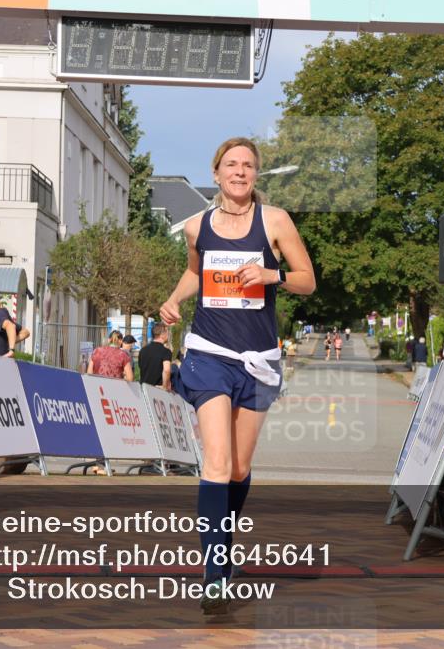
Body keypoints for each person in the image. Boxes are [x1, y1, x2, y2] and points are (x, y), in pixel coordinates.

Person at [159, 137, 315, 615]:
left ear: (255, 175)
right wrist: (174, 299)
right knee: (218, 463)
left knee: (241, 470)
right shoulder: (194, 227)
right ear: (217, 171)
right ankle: (214, 573)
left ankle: (222, 548)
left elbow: (307, 279)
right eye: (232, 164)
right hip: (207, 352)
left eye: (248, 165)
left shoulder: (275, 221)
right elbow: (196, 273)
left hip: (259, 360)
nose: (240, 172)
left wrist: (273, 278)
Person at [139, 323, 173, 390]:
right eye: (167, 333)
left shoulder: (143, 350)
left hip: (144, 388)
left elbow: (141, 367)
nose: (168, 335)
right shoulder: (166, 351)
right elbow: (166, 370)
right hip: (157, 390)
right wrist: (165, 386)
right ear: (162, 335)